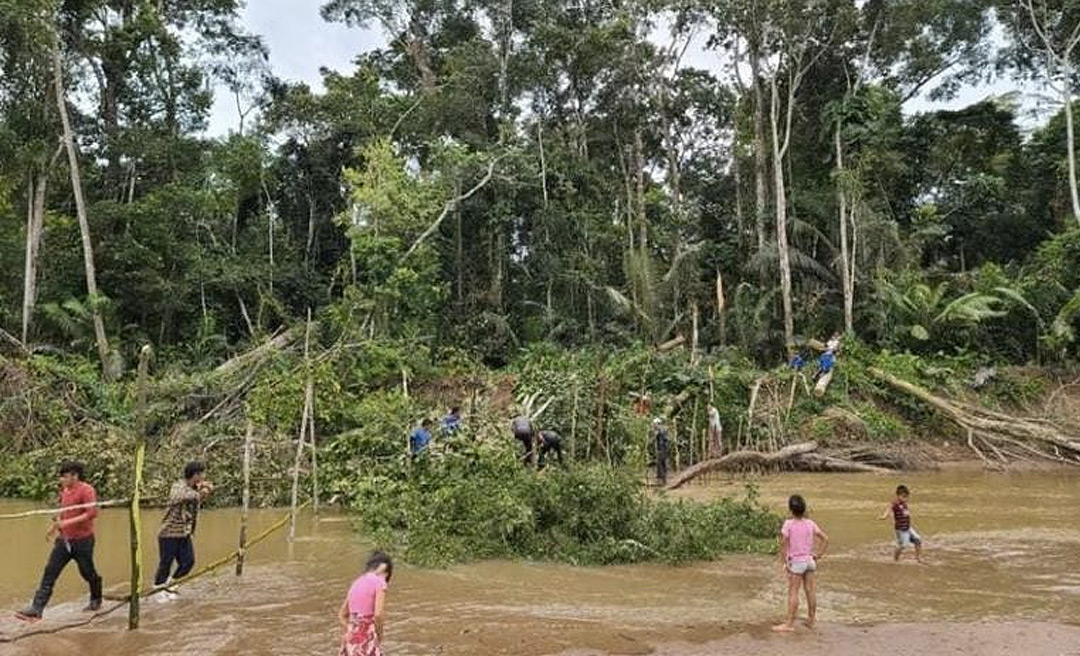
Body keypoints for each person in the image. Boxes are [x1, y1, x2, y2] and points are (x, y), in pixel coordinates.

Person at [16, 461, 103, 621]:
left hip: (83, 541)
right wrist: (55, 527)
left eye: (65, 476)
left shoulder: (87, 490)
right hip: (64, 540)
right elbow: (64, 513)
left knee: (87, 572)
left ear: (75, 476)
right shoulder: (65, 491)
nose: (61, 479)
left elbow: (92, 513)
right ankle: (37, 608)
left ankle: (96, 598)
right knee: (50, 571)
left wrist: (67, 523)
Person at [154, 461, 213, 601]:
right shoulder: (178, 486)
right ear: (196, 475)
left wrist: (204, 489)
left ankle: (171, 585)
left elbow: (205, 490)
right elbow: (179, 497)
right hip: (169, 533)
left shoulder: (195, 488)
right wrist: (201, 492)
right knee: (165, 563)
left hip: (184, 533)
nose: (204, 476)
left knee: (188, 562)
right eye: (202, 473)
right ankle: (158, 590)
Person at [773, 494, 829, 633]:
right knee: (810, 591)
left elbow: (783, 545)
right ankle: (811, 620)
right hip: (809, 561)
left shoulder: (788, 524)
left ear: (791, 509)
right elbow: (825, 539)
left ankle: (789, 624)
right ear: (803, 509)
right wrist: (818, 555)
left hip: (796, 563)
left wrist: (785, 561)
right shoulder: (810, 523)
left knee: (793, 592)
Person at [339, 551, 393, 656]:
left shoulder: (356, 582)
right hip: (366, 640)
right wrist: (379, 634)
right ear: (386, 573)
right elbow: (378, 614)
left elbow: (342, 615)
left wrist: (353, 628)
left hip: (350, 640)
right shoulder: (380, 582)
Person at [880, 484, 923, 563]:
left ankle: (918, 558)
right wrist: (885, 516)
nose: (906, 499)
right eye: (903, 497)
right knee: (903, 545)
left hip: (908, 528)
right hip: (901, 530)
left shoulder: (904, 503)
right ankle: (895, 559)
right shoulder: (895, 503)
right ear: (898, 496)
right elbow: (889, 508)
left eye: (907, 497)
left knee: (918, 540)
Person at [652, 418, 670, 485]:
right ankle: (663, 479)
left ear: (657, 424)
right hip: (665, 449)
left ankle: (661, 480)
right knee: (663, 464)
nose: (653, 426)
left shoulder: (660, 429)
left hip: (662, 449)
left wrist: (655, 433)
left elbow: (657, 437)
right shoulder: (664, 428)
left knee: (660, 464)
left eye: (654, 424)